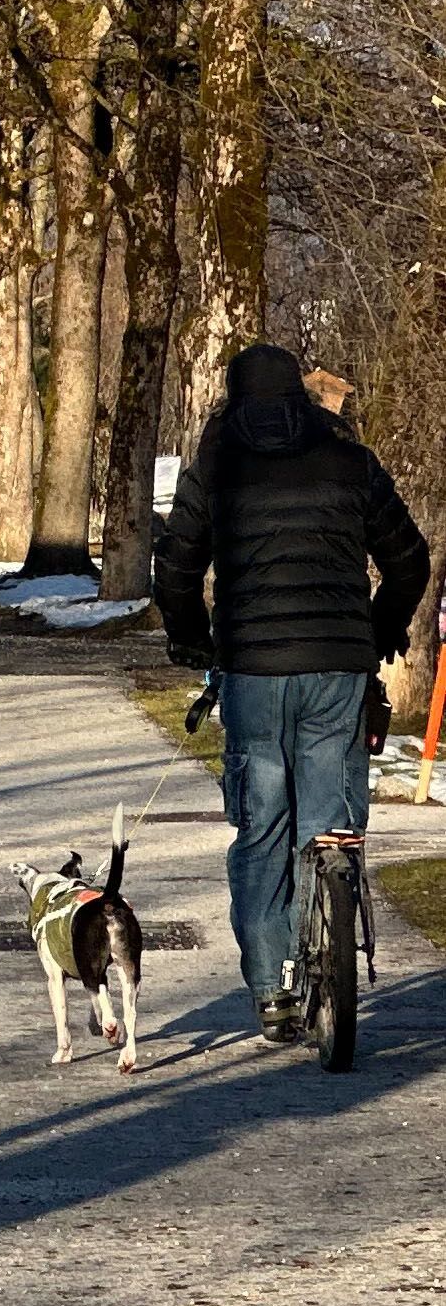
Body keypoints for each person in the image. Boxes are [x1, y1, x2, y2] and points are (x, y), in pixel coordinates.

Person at [152, 343, 431, 1037]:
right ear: (299, 396)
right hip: (337, 665)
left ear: (233, 396)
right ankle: (329, 917)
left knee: (262, 828)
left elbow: (177, 567)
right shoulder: (348, 459)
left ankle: (272, 987)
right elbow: (409, 559)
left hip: (252, 671)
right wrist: (377, 631)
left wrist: (190, 638)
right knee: (329, 821)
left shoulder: (217, 464)